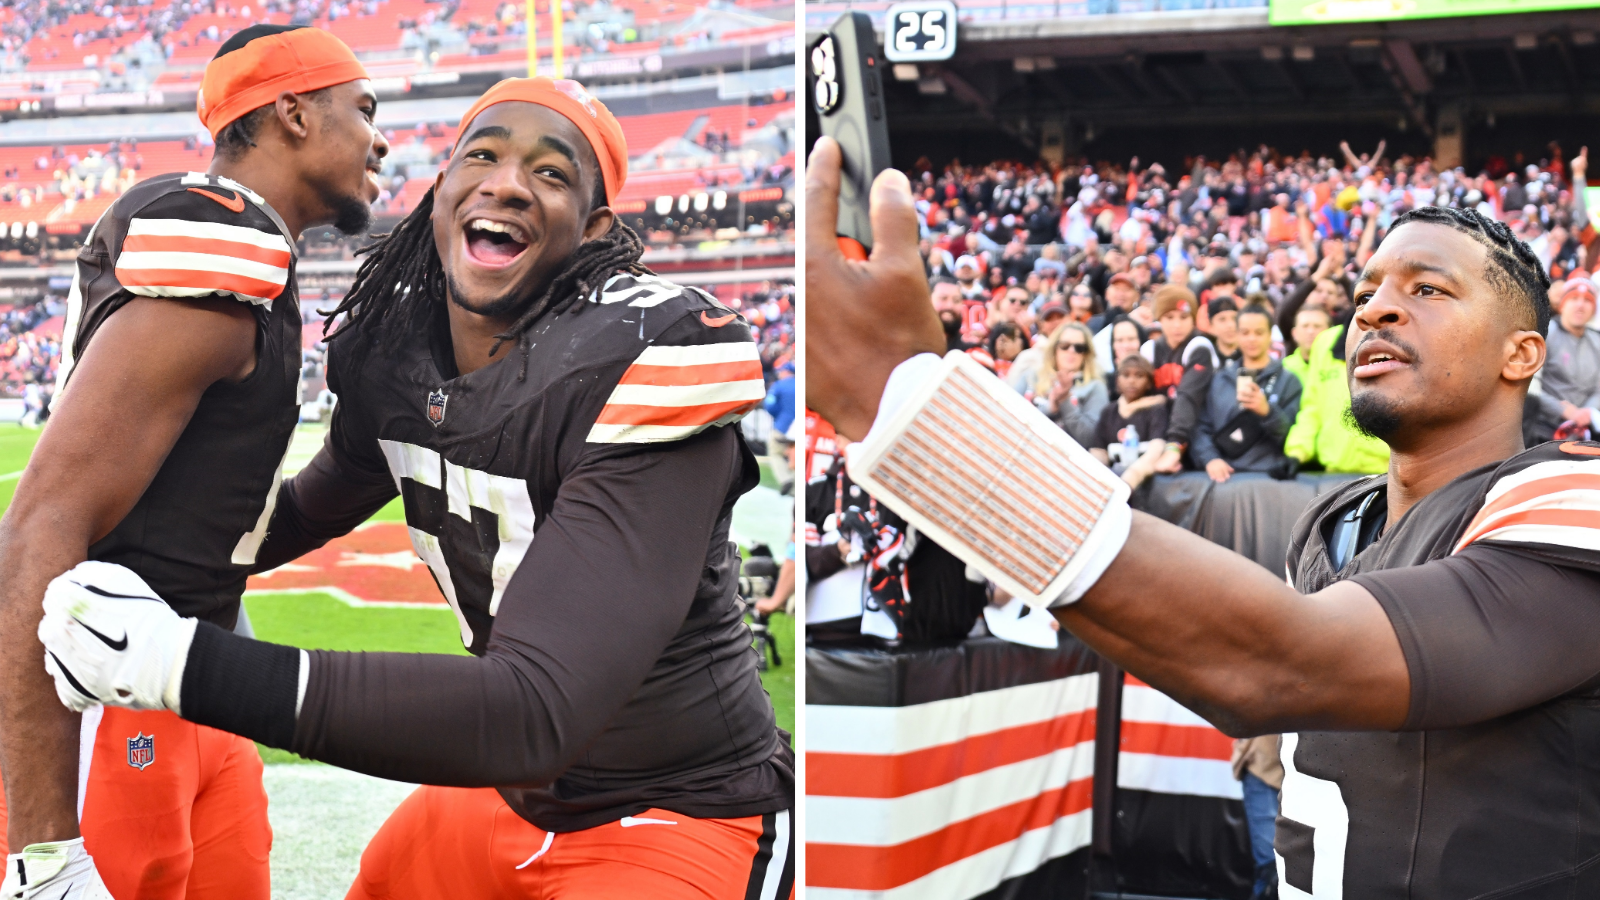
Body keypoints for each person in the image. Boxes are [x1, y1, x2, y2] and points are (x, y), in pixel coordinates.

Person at [41, 77, 794, 900]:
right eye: (483, 154)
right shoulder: (396, 353)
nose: (506, 181)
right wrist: (111, 536)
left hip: (679, 804)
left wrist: (177, 661)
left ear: (594, 230)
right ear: (441, 195)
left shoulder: (648, 355)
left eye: (551, 174)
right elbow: (305, 508)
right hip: (509, 795)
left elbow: (533, 710)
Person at [808, 138, 1600, 896]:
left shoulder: (1572, 501)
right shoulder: (1336, 525)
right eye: (1365, 294)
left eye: (1427, 289)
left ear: (1523, 354)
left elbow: (1279, 664)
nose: (1376, 312)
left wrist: (916, 410)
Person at [0, 25, 384, 900]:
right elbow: (42, 522)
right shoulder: (221, 237)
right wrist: (45, 852)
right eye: (362, 109)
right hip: (102, 690)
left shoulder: (258, 260)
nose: (380, 137)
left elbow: (214, 533)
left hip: (189, 673)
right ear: (292, 111)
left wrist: (370, 459)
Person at [1190, 305, 1302, 483]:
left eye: (1259, 332)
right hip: (1225, 477)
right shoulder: (1220, 379)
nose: (1252, 339)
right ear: (1237, 335)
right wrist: (1210, 459)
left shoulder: (1289, 381)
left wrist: (1268, 412)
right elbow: (1201, 428)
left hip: (1271, 477)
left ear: (1270, 336)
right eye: (1245, 332)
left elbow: (1297, 438)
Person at [1141, 285, 1218, 472]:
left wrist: (1174, 444)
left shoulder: (1199, 346)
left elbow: (1188, 396)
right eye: (1169, 317)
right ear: (1159, 319)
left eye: (1184, 317)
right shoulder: (1150, 350)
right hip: (1161, 430)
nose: (1177, 325)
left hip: (1198, 429)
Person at [1531, 276, 1600, 440]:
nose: (1580, 305)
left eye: (1587, 300)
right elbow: (1530, 387)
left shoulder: (1597, 341)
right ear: (1562, 304)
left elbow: (1599, 389)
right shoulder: (1544, 336)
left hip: (1585, 427)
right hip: (1544, 426)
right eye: (1574, 298)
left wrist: (1584, 413)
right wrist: (1563, 411)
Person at [1034, 321, 1108, 447]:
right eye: (1065, 345)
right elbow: (1010, 417)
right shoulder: (1032, 376)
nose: (1071, 351)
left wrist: (1064, 401)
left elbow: (1090, 439)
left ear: (1086, 354)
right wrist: (1050, 408)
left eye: (1079, 348)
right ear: (1054, 348)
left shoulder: (1096, 387)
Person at [1090, 354, 1167, 473]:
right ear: (1117, 380)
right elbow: (1098, 450)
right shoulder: (1108, 411)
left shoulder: (1156, 410)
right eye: (1126, 375)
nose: (1131, 381)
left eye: (1139, 376)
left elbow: (1156, 449)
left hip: (1146, 475)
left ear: (1149, 382)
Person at [763, 360, 796, 487]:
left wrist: (778, 416)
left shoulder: (779, 385)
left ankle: (785, 480)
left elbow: (769, 405)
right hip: (801, 428)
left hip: (783, 426)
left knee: (775, 453)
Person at [1281, 304, 1330, 385]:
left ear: (1330, 331)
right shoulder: (1284, 368)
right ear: (1294, 333)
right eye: (1305, 326)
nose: (1310, 331)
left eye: (1317, 326)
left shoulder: (1341, 365)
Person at [1206, 296, 1241, 365]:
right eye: (1222, 319)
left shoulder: (1249, 356)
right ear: (1211, 326)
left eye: (1234, 318)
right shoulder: (1205, 357)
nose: (1230, 325)